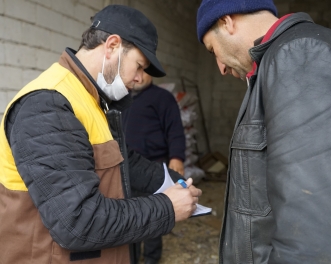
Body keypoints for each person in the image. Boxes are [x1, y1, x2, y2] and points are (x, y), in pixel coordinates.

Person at [0, 5, 202, 264]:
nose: (140, 79)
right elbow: (78, 222)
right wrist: (167, 207)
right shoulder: (47, 105)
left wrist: (175, 182)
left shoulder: (90, 98)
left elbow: (122, 161)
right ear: (112, 46)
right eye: (139, 66)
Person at [197, 0, 331, 263]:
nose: (220, 67)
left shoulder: (300, 55)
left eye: (213, 50)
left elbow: (319, 236)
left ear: (227, 21)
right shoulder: (283, 59)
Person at [122, 71, 186, 264]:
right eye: (135, 72)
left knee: (153, 218)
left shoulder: (162, 98)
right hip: (127, 169)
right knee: (129, 218)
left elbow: (175, 130)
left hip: (154, 167)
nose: (139, 77)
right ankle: (131, 258)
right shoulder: (120, 98)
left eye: (143, 72)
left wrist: (177, 157)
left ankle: (151, 259)